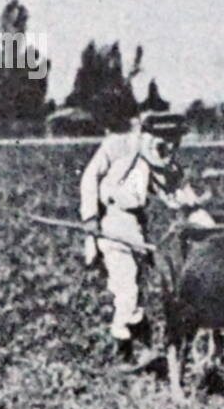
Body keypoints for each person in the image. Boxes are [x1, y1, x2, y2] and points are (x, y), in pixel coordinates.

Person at [80, 110, 207, 364]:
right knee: (126, 287)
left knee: (134, 286)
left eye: (175, 140)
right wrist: (90, 217)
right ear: (150, 134)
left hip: (136, 227)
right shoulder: (118, 146)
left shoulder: (160, 161)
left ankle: (137, 334)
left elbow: (180, 196)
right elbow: (89, 177)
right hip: (111, 223)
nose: (171, 146)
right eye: (166, 138)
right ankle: (125, 350)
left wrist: (208, 227)